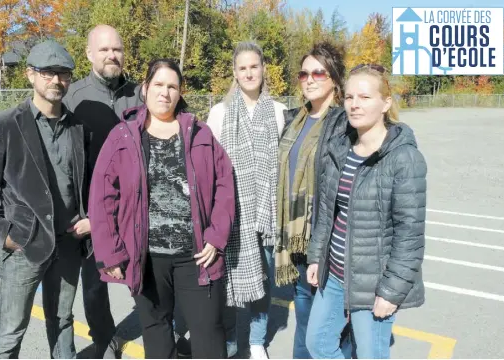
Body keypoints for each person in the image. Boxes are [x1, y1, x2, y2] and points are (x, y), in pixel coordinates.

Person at [88, 59, 235, 359]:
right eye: (158, 84)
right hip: (147, 258)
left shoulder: (200, 134)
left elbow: (225, 185)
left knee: (209, 336)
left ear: (180, 93)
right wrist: (111, 251)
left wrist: (216, 236)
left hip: (196, 257)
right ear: (145, 88)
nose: (165, 92)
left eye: (172, 86)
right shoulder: (123, 137)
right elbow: (102, 196)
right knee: (156, 333)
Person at [0, 40, 89, 358]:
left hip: (67, 244)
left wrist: (89, 219)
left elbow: (81, 183)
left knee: (62, 322)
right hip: (23, 245)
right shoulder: (4, 125)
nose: (56, 80)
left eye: (63, 73)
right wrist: (4, 234)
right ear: (30, 75)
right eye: (48, 72)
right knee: (9, 333)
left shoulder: (77, 128)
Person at [305, 63, 427, 359]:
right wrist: (315, 256)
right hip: (333, 273)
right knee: (318, 344)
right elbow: (326, 211)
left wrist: (391, 291)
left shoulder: (404, 158)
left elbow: (409, 235)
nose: (354, 105)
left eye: (364, 97)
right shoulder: (340, 148)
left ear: (385, 103)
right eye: (348, 97)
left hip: (373, 282)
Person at [63, 24, 143, 358]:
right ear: (89, 54)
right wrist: (81, 212)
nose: (112, 55)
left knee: (146, 275)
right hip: (92, 212)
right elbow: (61, 158)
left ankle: (158, 329)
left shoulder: (139, 93)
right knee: (95, 286)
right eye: (105, 49)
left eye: (117, 49)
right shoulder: (73, 97)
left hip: (137, 208)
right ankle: (105, 339)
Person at [206, 41, 286, 359]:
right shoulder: (220, 113)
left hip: (267, 215)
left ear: (263, 69)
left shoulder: (280, 112)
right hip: (231, 214)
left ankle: (255, 340)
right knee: (226, 281)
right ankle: (227, 339)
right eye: (243, 68)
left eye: (255, 66)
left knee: (263, 283)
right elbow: (209, 165)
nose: (249, 72)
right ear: (235, 73)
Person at [274, 41, 347, 359]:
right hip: (298, 243)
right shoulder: (294, 120)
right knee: (304, 320)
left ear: (334, 78)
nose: (310, 78)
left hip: (330, 241)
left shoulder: (345, 124)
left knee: (331, 329)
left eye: (319, 71)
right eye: (304, 73)